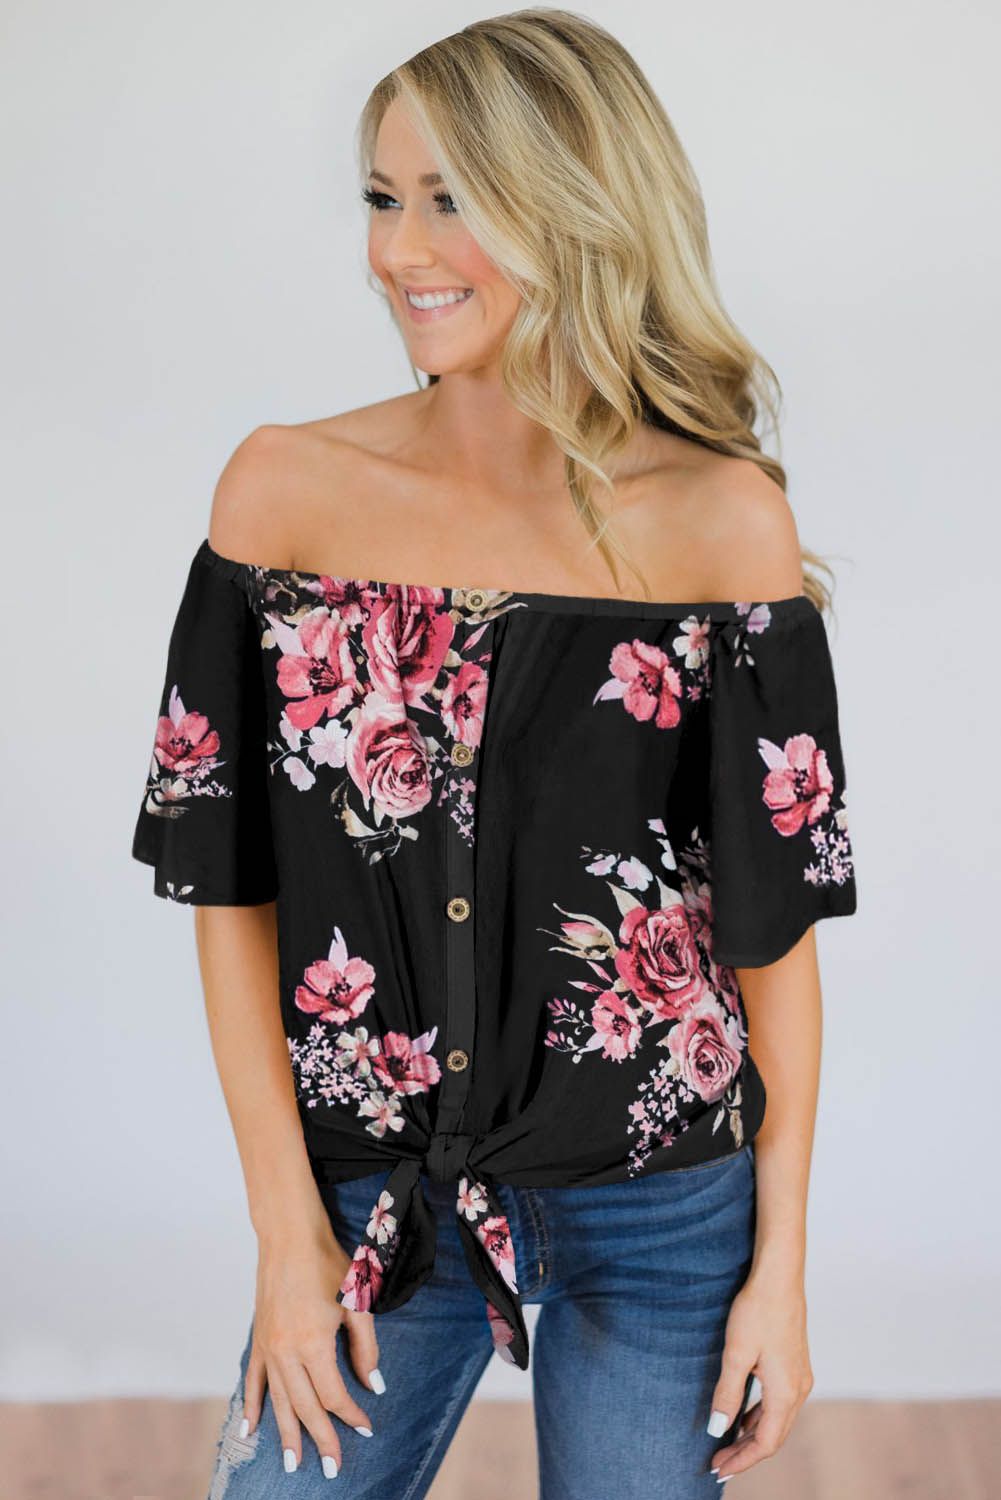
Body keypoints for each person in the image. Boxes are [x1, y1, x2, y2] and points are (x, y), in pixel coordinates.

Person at [131, 11, 859, 1497]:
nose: (401, 250)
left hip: (660, 1208)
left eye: (452, 198)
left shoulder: (719, 524)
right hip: (368, 1204)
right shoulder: (282, 494)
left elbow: (769, 936)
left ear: (577, 210)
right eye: (382, 197)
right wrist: (284, 1234)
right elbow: (229, 888)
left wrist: (782, 1266)